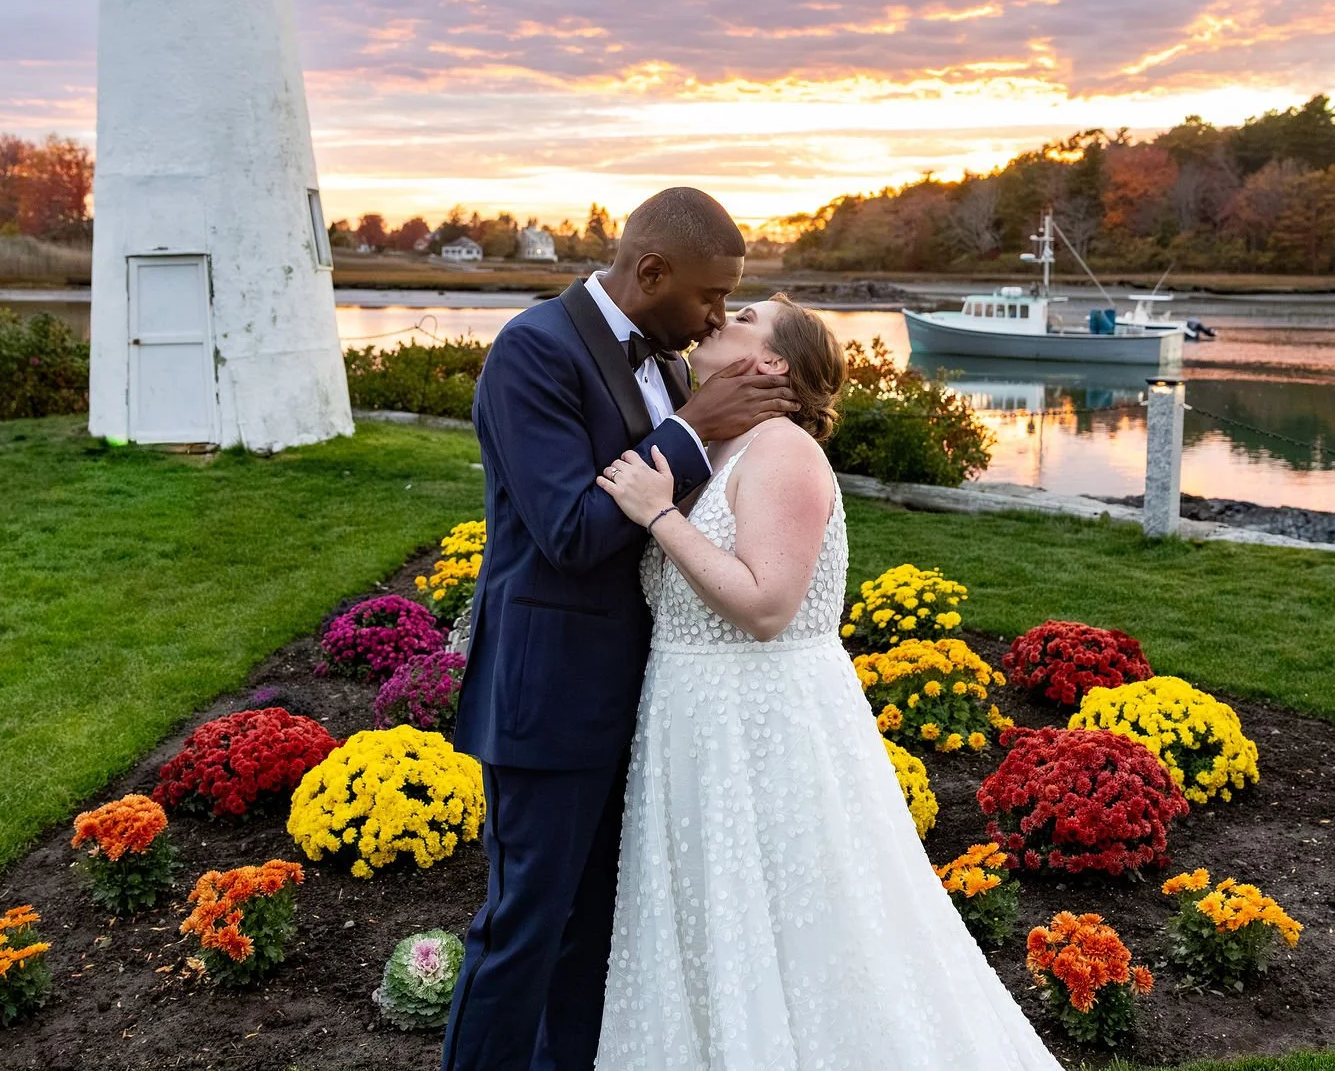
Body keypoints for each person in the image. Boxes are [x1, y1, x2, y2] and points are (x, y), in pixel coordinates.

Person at [590, 297, 1064, 1071]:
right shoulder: (724, 452)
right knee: (717, 928)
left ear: (774, 363)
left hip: (764, 730)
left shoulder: (782, 450)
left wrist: (656, 516)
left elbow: (767, 605)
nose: (716, 317)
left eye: (741, 316)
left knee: (801, 932)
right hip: (696, 730)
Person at [445, 187, 797, 1071]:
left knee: (595, 937)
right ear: (651, 272)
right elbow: (569, 531)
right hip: (552, 699)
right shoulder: (534, 350)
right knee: (524, 930)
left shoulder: (672, 363)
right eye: (712, 296)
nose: (718, 314)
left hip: (639, 699)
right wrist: (690, 429)